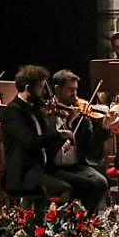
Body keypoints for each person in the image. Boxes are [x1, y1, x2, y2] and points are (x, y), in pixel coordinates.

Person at [0, 65, 74, 202]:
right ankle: (52, 222)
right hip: (22, 174)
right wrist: (60, 135)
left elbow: (47, 142)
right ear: (28, 88)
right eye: (40, 87)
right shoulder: (13, 112)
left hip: (41, 169)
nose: (44, 92)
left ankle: (83, 222)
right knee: (65, 190)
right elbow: (31, 142)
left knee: (86, 184)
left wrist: (63, 126)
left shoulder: (36, 109)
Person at [46, 69, 110, 212]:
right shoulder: (46, 115)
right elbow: (45, 146)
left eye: (76, 89)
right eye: (70, 89)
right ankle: (75, 222)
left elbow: (92, 151)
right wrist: (68, 124)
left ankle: (90, 223)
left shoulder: (82, 116)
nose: (75, 94)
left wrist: (104, 128)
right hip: (52, 169)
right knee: (90, 183)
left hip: (76, 166)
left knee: (100, 181)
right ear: (57, 89)